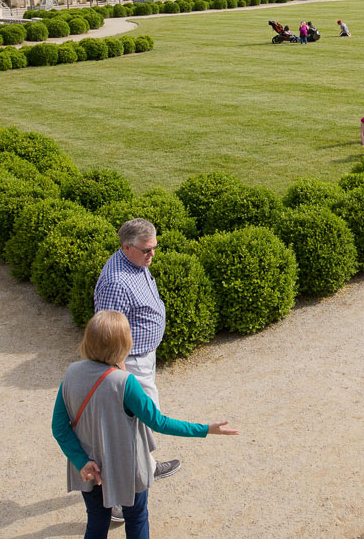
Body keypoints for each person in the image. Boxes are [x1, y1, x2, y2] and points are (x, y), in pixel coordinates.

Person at [53, 310, 239, 539]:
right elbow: (158, 422)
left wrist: (82, 461)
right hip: (128, 468)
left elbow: (59, 427)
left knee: (96, 521)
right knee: (137, 518)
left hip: (92, 471)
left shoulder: (71, 373)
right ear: (122, 344)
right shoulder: (125, 383)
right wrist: (205, 429)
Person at [93, 219, 183, 488]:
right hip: (128, 364)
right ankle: (119, 496)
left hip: (143, 358)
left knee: (141, 423)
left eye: (154, 247)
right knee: (131, 427)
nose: (152, 254)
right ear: (126, 247)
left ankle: (148, 467)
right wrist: (120, 378)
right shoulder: (116, 283)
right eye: (147, 250)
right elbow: (108, 338)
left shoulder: (134, 261)